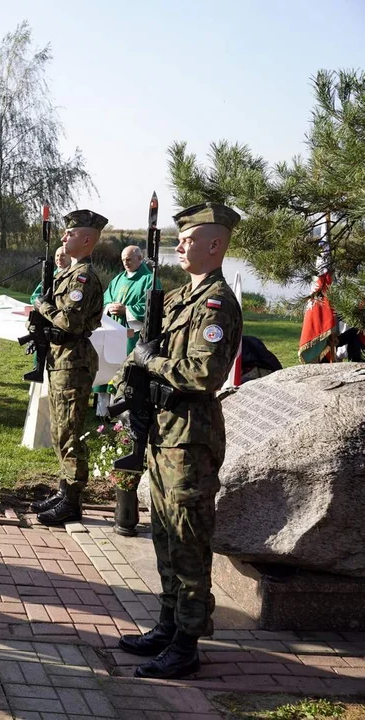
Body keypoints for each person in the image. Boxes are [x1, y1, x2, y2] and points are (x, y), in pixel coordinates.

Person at [117, 203, 243, 680]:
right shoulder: (176, 299)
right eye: (180, 237)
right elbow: (150, 346)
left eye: (191, 238)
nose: (181, 244)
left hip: (190, 438)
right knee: (165, 536)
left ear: (216, 245)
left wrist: (151, 363)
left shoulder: (217, 303)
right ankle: (168, 625)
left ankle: (187, 643)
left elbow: (204, 373)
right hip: (164, 433)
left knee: (190, 541)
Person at [27, 210, 107, 526]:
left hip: (73, 361)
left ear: (87, 240)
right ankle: (63, 492)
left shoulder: (84, 278)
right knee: (60, 431)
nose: (64, 237)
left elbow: (70, 321)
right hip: (61, 360)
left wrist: (42, 306)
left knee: (70, 434)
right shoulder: (69, 274)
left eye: (70, 234)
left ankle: (72, 502)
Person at [93, 245, 159, 416]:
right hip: (113, 330)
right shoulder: (118, 278)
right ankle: (102, 412)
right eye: (123, 260)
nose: (125, 263)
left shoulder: (149, 279)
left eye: (129, 259)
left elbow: (152, 306)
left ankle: (122, 412)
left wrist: (127, 310)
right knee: (107, 366)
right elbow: (106, 297)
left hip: (132, 334)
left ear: (140, 258)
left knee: (126, 371)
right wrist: (109, 307)